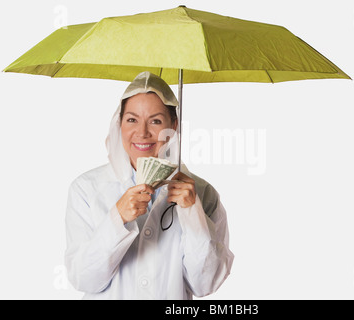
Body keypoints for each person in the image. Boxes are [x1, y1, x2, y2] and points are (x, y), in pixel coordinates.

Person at [64, 71, 234, 300]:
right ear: (119, 123)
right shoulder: (85, 189)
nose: (142, 133)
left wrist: (193, 214)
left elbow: (206, 284)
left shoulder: (203, 194)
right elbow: (84, 279)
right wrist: (117, 219)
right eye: (132, 119)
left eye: (155, 121)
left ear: (173, 126)